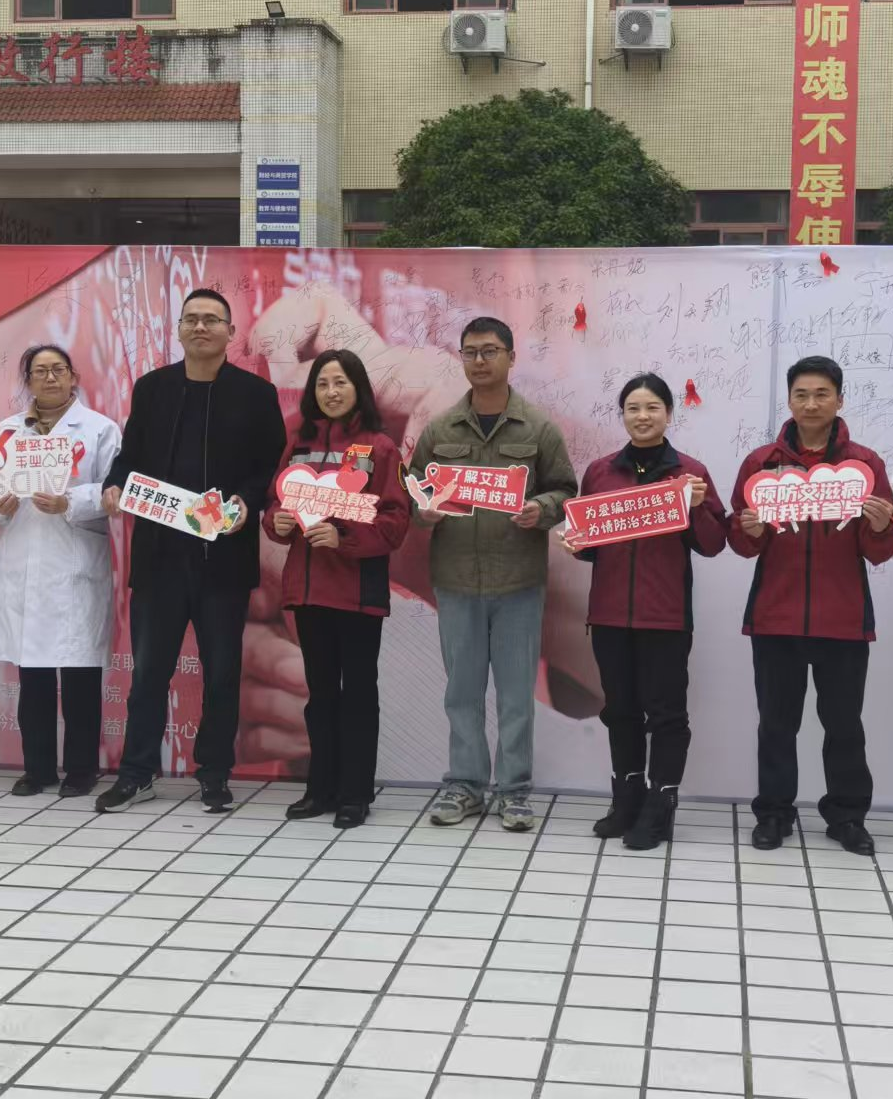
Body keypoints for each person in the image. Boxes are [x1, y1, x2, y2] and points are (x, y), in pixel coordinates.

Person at [96, 288, 287, 814]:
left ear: (230, 332)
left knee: (221, 673)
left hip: (223, 559)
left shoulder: (255, 394)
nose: (201, 327)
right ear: (179, 329)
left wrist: (248, 501)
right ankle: (137, 773)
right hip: (159, 559)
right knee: (148, 673)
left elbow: (270, 465)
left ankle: (215, 772)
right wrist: (115, 484)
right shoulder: (153, 388)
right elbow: (130, 457)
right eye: (192, 319)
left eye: (212, 319)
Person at [410, 316, 577, 832]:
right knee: (461, 692)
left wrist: (541, 509)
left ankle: (514, 790)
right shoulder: (440, 429)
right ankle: (465, 785)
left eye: (489, 351)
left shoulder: (539, 428)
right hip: (455, 579)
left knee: (515, 694)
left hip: (518, 581)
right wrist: (424, 511)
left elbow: (566, 490)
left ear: (511, 357)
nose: (479, 361)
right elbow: (414, 488)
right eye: (470, 352)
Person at [729, 355, 893, 856]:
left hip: (843, 620)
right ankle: (774, 813)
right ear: (789, 400)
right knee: (776, 725)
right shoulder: (762, 464)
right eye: (801, 394)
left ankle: (847, 816)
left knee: (844, 726)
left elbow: (879, 550)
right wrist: (748, 529)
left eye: (822, 394)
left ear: (840, 400)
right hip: (775, 617)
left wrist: (882, 525)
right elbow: (741, 543)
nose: (810, 404)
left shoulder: (865, 465)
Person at [562, 373, 727, 850]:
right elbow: (592, 546)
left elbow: (713, 543)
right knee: (620, 711)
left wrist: (697, 507)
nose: (642, 416)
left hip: (665, 617)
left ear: (669, 414)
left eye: (652, 407)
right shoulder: (600, 472)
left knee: (667, 715)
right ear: (623, 415)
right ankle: (627, 799)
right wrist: (577, 544)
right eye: (633, 408)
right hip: (609, 615)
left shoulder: (690, 473)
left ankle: (661, 805)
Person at [262, 350, 410, 829]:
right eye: (323, 383)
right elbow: (275, 503)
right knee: (321, 694)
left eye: (340, 382)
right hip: (307, 592)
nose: (331, 392)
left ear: (358, 388)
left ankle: (355, 794)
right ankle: (319, 788)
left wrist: (343, 537)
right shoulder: (298, 444)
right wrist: (277, 522)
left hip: (359, 593)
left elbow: (394, 521)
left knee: (359, 694)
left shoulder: (379, 448)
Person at [0, 345, 122, 798]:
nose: (50, 378)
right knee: (33, 678)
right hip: (22, 562)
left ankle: (81, 769)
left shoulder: (99, 429)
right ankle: (37, 769)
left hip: (74, 561)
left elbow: (113, 490)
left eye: (58, 369)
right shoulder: (7, 431)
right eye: (40, 371)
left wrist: (70, 501)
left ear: (74, 376)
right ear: (28, 381)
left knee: (79, 677)